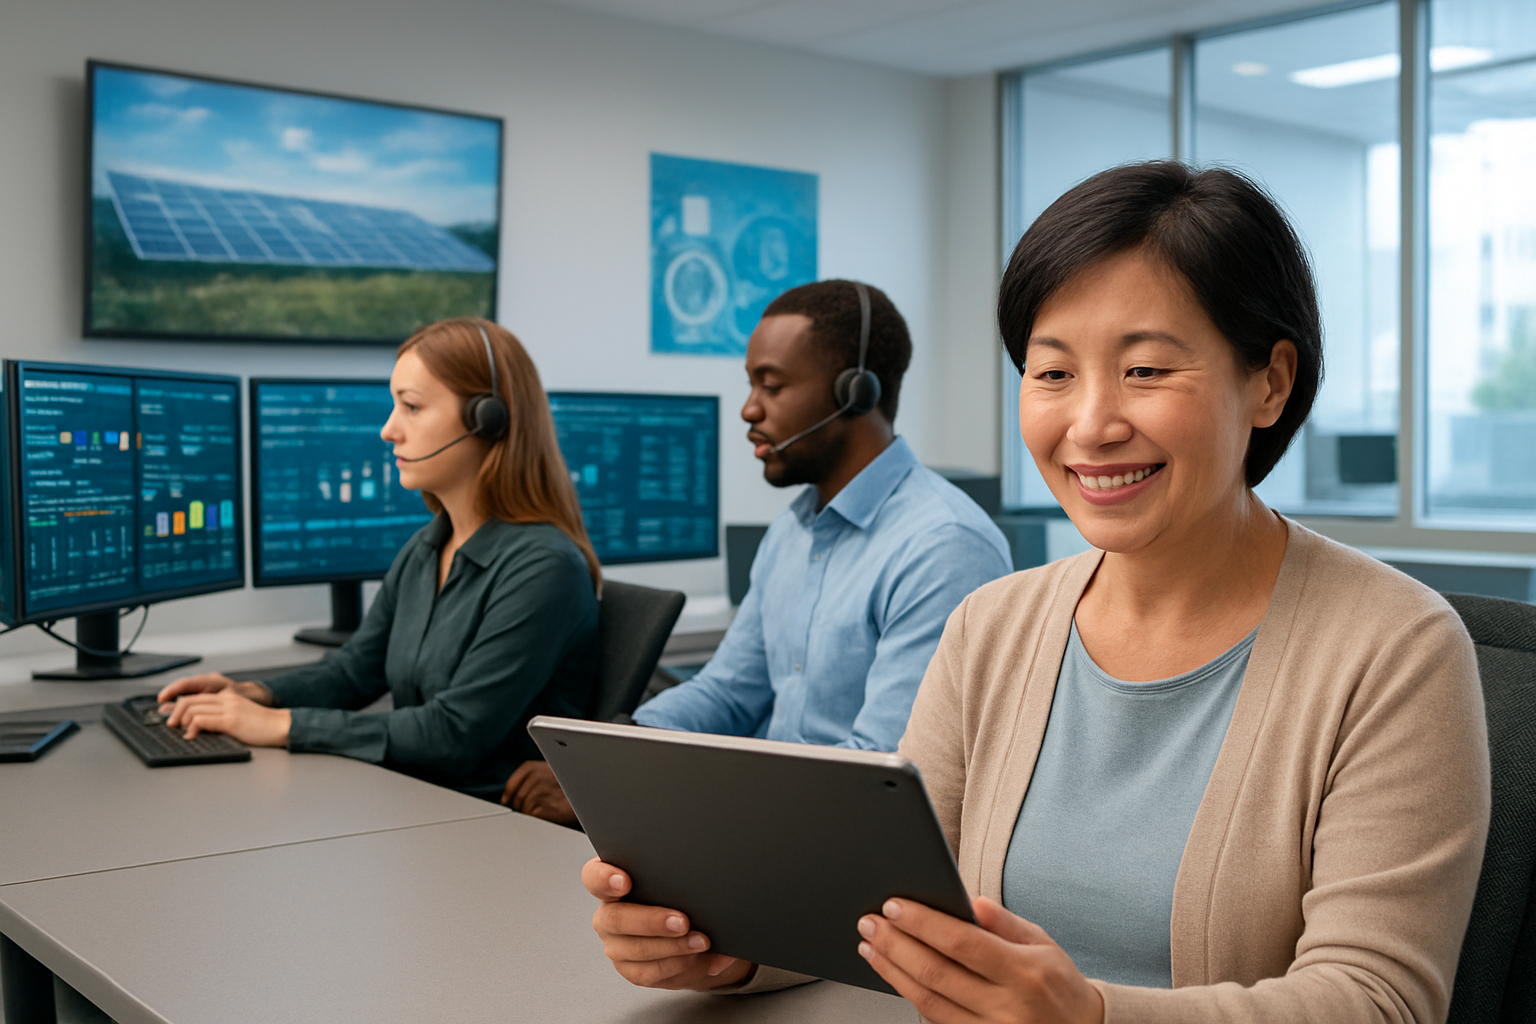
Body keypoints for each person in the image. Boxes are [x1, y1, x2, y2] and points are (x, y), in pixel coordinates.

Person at [581, 162, 1492, 1018]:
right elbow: (880, 902)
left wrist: (1093, 1015)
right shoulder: (992, 627)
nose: (1090, 425)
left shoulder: (1395, 648)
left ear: (1270, 382)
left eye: (1145, 369)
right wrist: (731, 945)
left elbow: (1378, 998)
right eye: (1052, 373)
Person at [504, 279, 1013, 822]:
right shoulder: (792, 532)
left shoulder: (942, 546)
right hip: (774, 820)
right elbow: (728, 692)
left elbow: (879, 774)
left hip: (852, 835)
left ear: (854, 393)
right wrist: (609, 759)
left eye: (772, 386)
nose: (749, 410)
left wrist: (640, 787)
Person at [157, 317, 602, 803]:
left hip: (484, 821)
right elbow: (354, 671)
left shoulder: (544, 568)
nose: (388, 430)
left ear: (487, 420)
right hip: (414, 800)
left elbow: (453, 735)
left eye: (412, 407)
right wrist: (256, 694)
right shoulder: (428, 547)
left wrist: (281, 725)